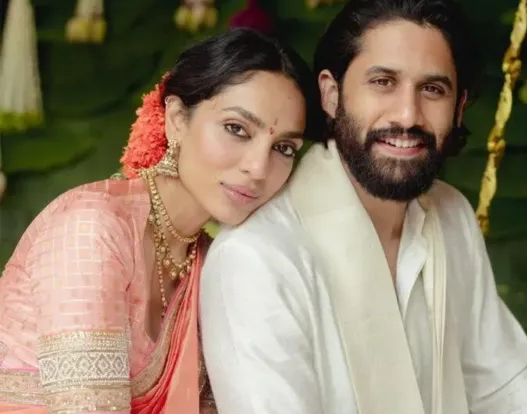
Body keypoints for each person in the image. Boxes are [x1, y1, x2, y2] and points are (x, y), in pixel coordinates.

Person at [200, 0, 527, 414]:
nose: (408, 115)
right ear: (331, 94)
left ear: (459, 108)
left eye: (432, 89)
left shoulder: (450, 215)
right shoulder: (258, 258)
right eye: (383, 82)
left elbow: (505, 385)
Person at [0, 27, 323, 414]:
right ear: (177, 119)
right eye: (236, 129)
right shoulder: (92, 228)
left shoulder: (211, 262)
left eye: (283, 148)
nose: (258, 168)